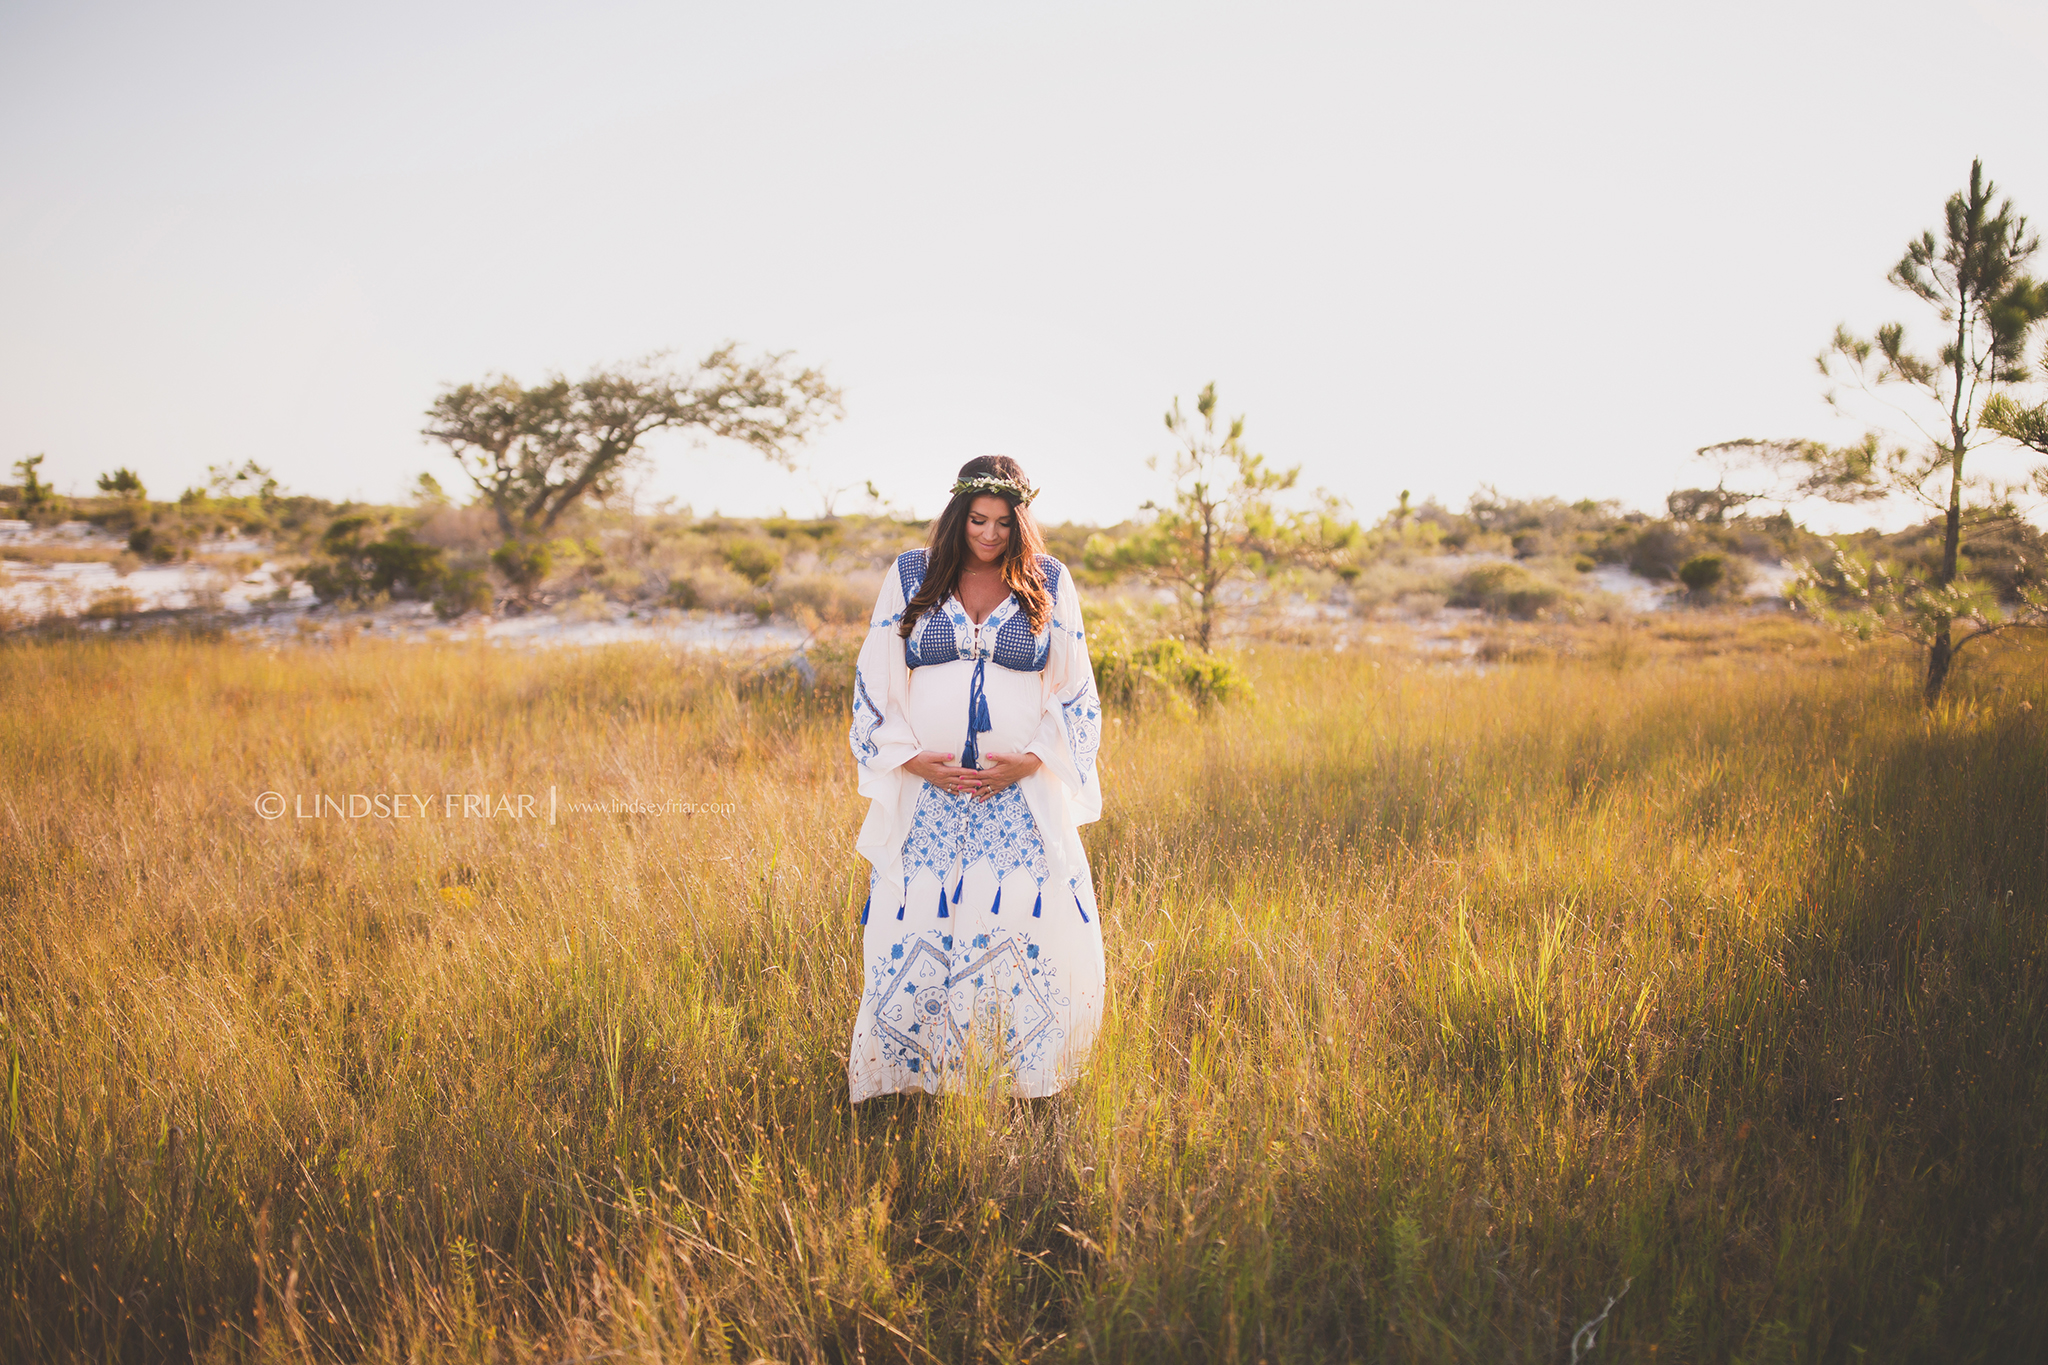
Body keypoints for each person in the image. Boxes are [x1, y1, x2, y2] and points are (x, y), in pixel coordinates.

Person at [846, 455, 1105, 1101]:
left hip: (1017, 795)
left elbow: (1075, 687)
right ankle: (914, 1077)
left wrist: (1034, 757)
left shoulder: (1048, 579)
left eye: (1002, 523)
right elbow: (875, 673)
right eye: (977, 520)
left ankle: (1014, 1077)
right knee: (918, 922)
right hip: (928, 793)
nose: (988, 535)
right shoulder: (913, 573)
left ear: (1021, 522)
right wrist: (906, 757)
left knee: (1016, 919)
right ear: (957, 516)